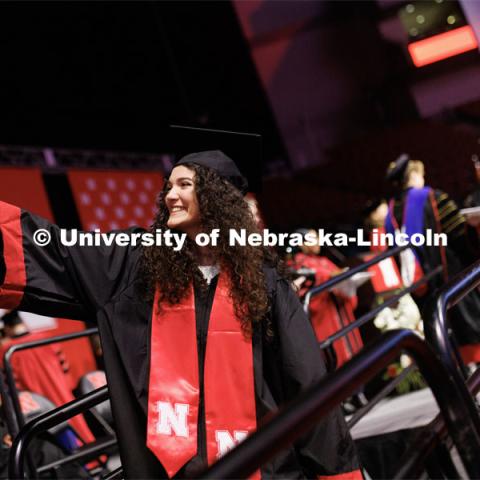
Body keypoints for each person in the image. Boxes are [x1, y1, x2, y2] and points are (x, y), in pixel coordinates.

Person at [0, 150, 361, 479]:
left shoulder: (265, 283)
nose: (170, 195)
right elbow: (54, 250)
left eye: (184, 185)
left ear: (217, 197)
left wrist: (337, 473)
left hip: (264, 465)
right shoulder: (134, 269)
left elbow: (306, 382)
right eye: (168, 187)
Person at [385, 154, 480, 363]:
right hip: (450, 273)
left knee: (442, 329)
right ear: (413, 175)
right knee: (468, 321)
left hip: (422, 284)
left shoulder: (391, 211)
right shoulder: (430, 197)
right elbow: (458, 235)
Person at [291, 229, 363, 369]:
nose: (318, 242)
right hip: (325, 318)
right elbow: (304, 296)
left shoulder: (324, 261)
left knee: (355, 357)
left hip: (340, 311)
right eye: (312, 239)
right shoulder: (298, 265)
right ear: (301, 243)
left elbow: (339, 276)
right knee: (337, 360)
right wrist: (328, 278)